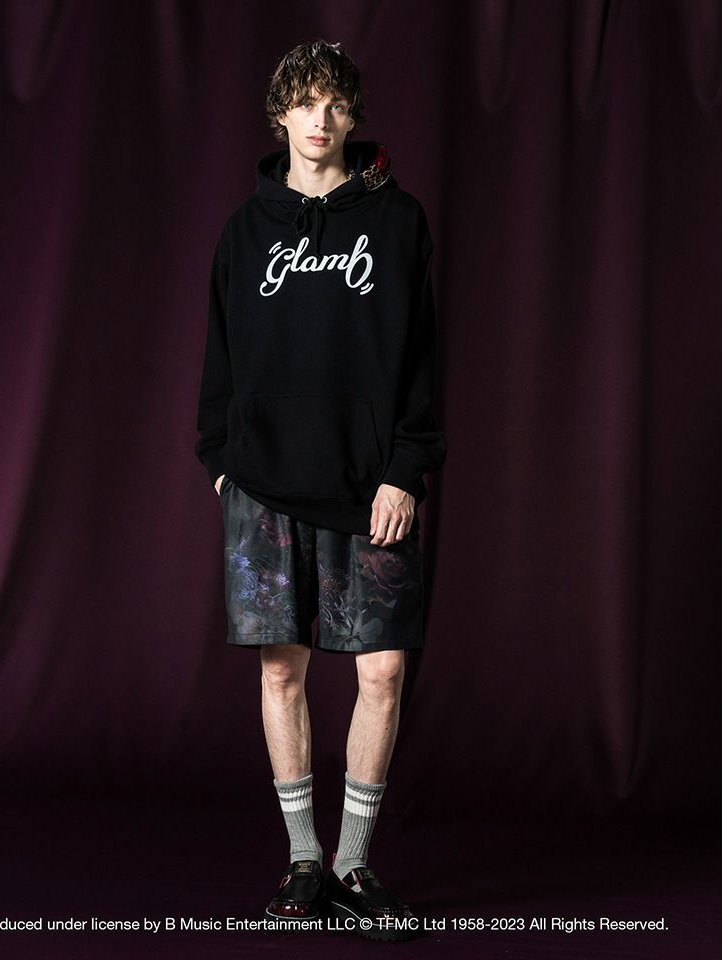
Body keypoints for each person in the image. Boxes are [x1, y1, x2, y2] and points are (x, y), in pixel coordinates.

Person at [194, 38, 446, 941]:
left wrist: (405, 467)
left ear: (352, 114)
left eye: (335, 102)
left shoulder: (399, 221)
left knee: (383, 670)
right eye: (304, 102)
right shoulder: (244, 230)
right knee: (281, 669)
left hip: (370, 485)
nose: (321, 119)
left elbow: (422, 359)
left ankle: (353, 864)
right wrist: (220, 456)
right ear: (280, 116)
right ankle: (306, 859)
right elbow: (220, 353)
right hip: (263, 485)